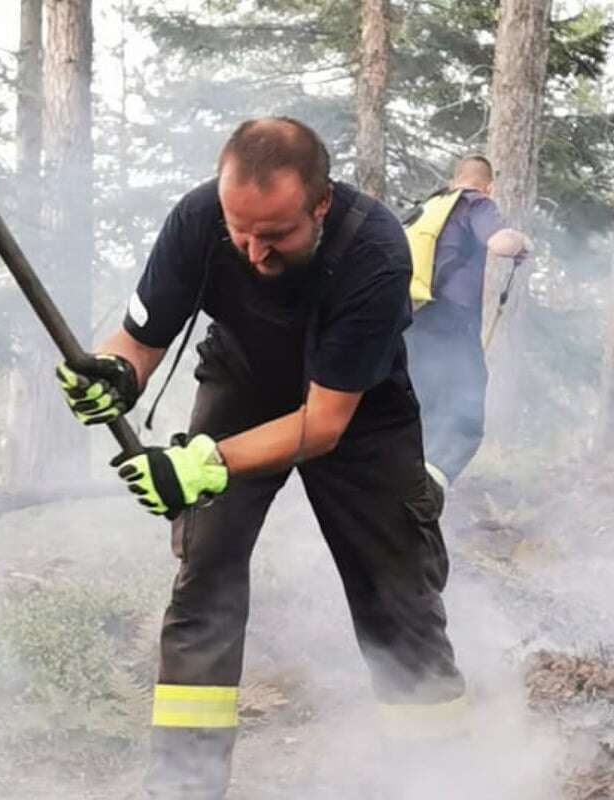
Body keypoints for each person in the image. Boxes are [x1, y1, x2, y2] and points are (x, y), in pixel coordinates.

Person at [54, 117, 466, 798]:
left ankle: (438, 777)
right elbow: (139, 339)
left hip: (357, 410)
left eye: (275, 235)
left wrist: (203, 463)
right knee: (205, 574)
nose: (252, 251)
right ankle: (184, 786)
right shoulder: (198, 219)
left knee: (397, 592)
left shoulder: (377, 250)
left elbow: (324, 421)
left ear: (321, 203)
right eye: (240, 229)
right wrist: (114, 376)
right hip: (242, 382)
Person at [403, 155, 533, 488]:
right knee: (466, 414)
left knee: (424, 407)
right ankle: (428, 493)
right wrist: (521, 242)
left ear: (455, 177)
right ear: (489, 185)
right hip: (452, 322)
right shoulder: (477, 203)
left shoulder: (430, 207)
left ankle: (403, 486)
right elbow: (500, 243)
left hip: (412, 321)